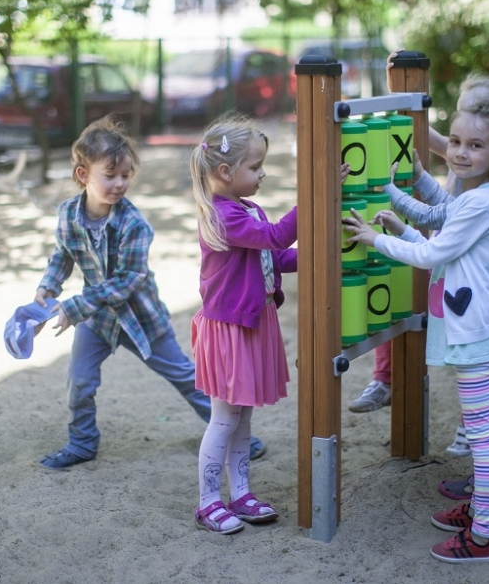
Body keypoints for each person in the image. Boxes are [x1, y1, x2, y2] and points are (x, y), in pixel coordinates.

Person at [343, 102, 489, 562]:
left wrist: (378, 239)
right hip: (477, 327)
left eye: (475, 145)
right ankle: (480, 511)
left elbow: (431, 256)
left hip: (476, 333)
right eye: (457, 142)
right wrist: (400, 225)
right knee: (484, 432)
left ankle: (483, 536)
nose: (460, 152)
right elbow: (442, 246)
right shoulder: (479, 197)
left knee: (483, 437)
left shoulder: (480, 202)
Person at [29, 116, 265, 470]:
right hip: (97, 319)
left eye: (126, 175)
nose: (120, 183)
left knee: (186, 376)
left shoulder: (134, 223)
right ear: (83, 175)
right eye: (110, 175)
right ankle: (82, 443)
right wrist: (47, 286)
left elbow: (128, 279)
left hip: (141, 318)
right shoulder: (67, 215)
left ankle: (237, 437)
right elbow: (63, 256)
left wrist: (73, 306)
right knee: (79, 381)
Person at [384, 77, 489, 496]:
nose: (461, 149)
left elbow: (442, 223)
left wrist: (392, 212)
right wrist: (420, 177)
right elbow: (448, 211)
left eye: (475, 140)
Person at [188, 115, 298, 534]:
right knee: (224, 419)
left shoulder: (247, 210)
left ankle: (241, 494)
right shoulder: (223, 216)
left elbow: (275, 256)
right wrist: (313, 199)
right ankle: (207, 502)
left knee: (242, 419)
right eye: (256, 167)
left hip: (251, 324)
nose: (262, 173)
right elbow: (275, 237)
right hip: (230, 330)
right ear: (225, 171)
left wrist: (327, 255)